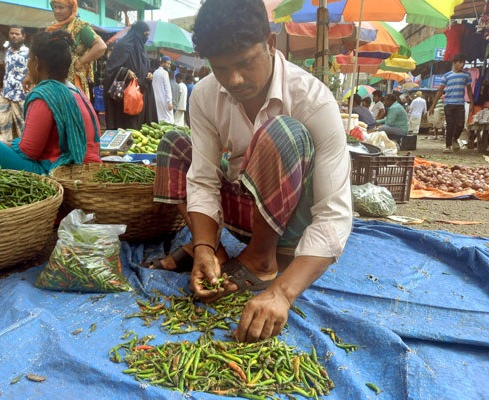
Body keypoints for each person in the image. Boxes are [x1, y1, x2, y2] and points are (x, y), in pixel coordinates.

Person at [147, 0, 352, 343]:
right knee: (173, 144)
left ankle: (262, 260)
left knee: (280, 132)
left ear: (271, 44)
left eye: (245, 63)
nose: (235, 79)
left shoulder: (312, 100)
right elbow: (203, 177)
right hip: (247, 208)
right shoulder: (207, 95)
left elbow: (334, 216)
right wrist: (202, 247)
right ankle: (218, 253)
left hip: (291, 225)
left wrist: (282, 294)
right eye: (221, 68)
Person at [0, 30, 101, 174]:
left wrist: (7, 144)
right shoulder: (77, 92)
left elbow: (28, 151)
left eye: (29, 59)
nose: (28, 65)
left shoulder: (46, 94)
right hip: (82, 169)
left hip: (56, 171)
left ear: (37, 63)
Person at [46, 0, 107, 97]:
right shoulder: (52, 27)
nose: (57, 11)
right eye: (54, 7)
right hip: (52, 76)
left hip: (72, 79)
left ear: (72, 8)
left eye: (61, 7)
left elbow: (101, 46)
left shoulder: (81, 27)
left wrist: (80, 62)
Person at [103, 21, 156, 130]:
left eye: (148, 35)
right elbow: (110, 69)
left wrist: (149, 74)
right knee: (126, 128)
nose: (146, 37)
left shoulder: (142, 49)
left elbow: (144, 68)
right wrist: (125, 72)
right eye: (145, 34)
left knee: (139, 129)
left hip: (141, 95)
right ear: (138, 33)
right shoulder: (123, 46)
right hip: (124, 99)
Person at [429, 54, 474, 153]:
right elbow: (440, 91)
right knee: (450, 125)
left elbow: (469, 91)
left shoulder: (466, 75)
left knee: (460, 124)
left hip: (460, 104)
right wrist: (433, 106)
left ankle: (455, 139)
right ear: (454, 63)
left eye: (463, 63)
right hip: (448, 104)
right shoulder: (447, 75)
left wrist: (472, 104)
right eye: (460, 63)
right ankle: (447, 145)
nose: (462, 65)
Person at [0, 25, 29, 142]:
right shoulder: (7, 52)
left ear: (23, 36)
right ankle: (8, 147)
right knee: (4, 123)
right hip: (6, 93)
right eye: (12, 33)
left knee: (23, 124)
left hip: (21, 94)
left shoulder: (28, 53)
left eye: (17, 34)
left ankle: (23, 148)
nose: (14, 36)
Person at [153, 56, 174, 123]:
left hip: (156, 99)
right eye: (168, 64)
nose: (169, 66)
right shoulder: (165, 73)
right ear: (163, 63)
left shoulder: (155, 72)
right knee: (169, 119)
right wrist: (169, 102)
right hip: (164, 99)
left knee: (160, 118)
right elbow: (167, 88)